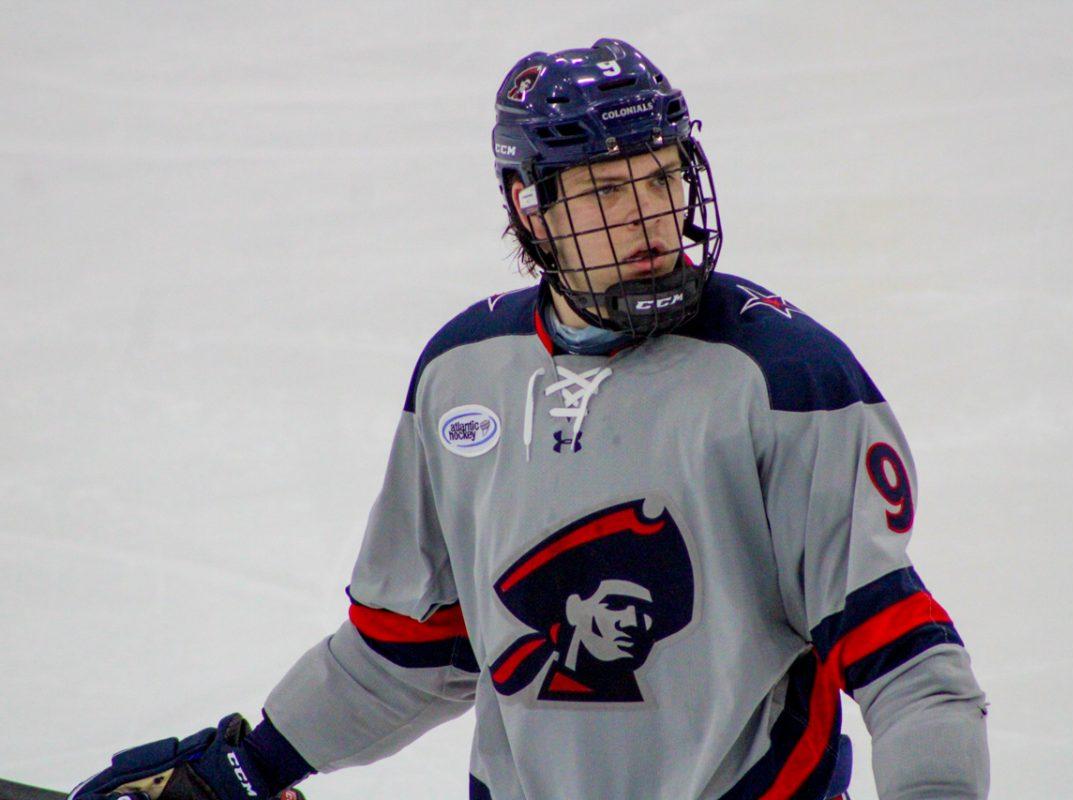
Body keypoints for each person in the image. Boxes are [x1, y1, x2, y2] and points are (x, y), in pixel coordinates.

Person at [71, 38, 989, 800]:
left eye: (664, 178)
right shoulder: (462, 372)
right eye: (607, 192)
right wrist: (245, 769)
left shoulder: (785, 380)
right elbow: (411, 651)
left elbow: (907, 665)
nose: (652, 219)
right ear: (531, 209)